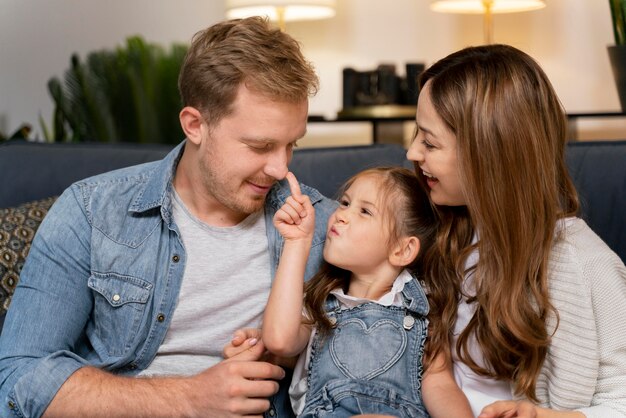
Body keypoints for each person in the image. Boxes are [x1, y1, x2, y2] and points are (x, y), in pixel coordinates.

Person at [0, 17, 337, 418]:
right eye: (260, 146)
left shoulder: (325, 228)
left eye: (291, 145)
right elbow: (18, 379)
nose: (281, 169)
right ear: (195, 125)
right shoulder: (91, 212)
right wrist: (189, 398)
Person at [406, 44, 626, 418]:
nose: (412, 152)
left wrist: (546, 416)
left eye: (429, 142)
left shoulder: (587, 265)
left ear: (488, 154)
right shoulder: (436, 232)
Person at [228, 167, 473, 417]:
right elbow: (279, 340)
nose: (341, 215)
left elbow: (440, 384)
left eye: (364, 211)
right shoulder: (318, 306)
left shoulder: (423, 309)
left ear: (402, 249)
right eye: (345, 203)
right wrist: (296, 242)